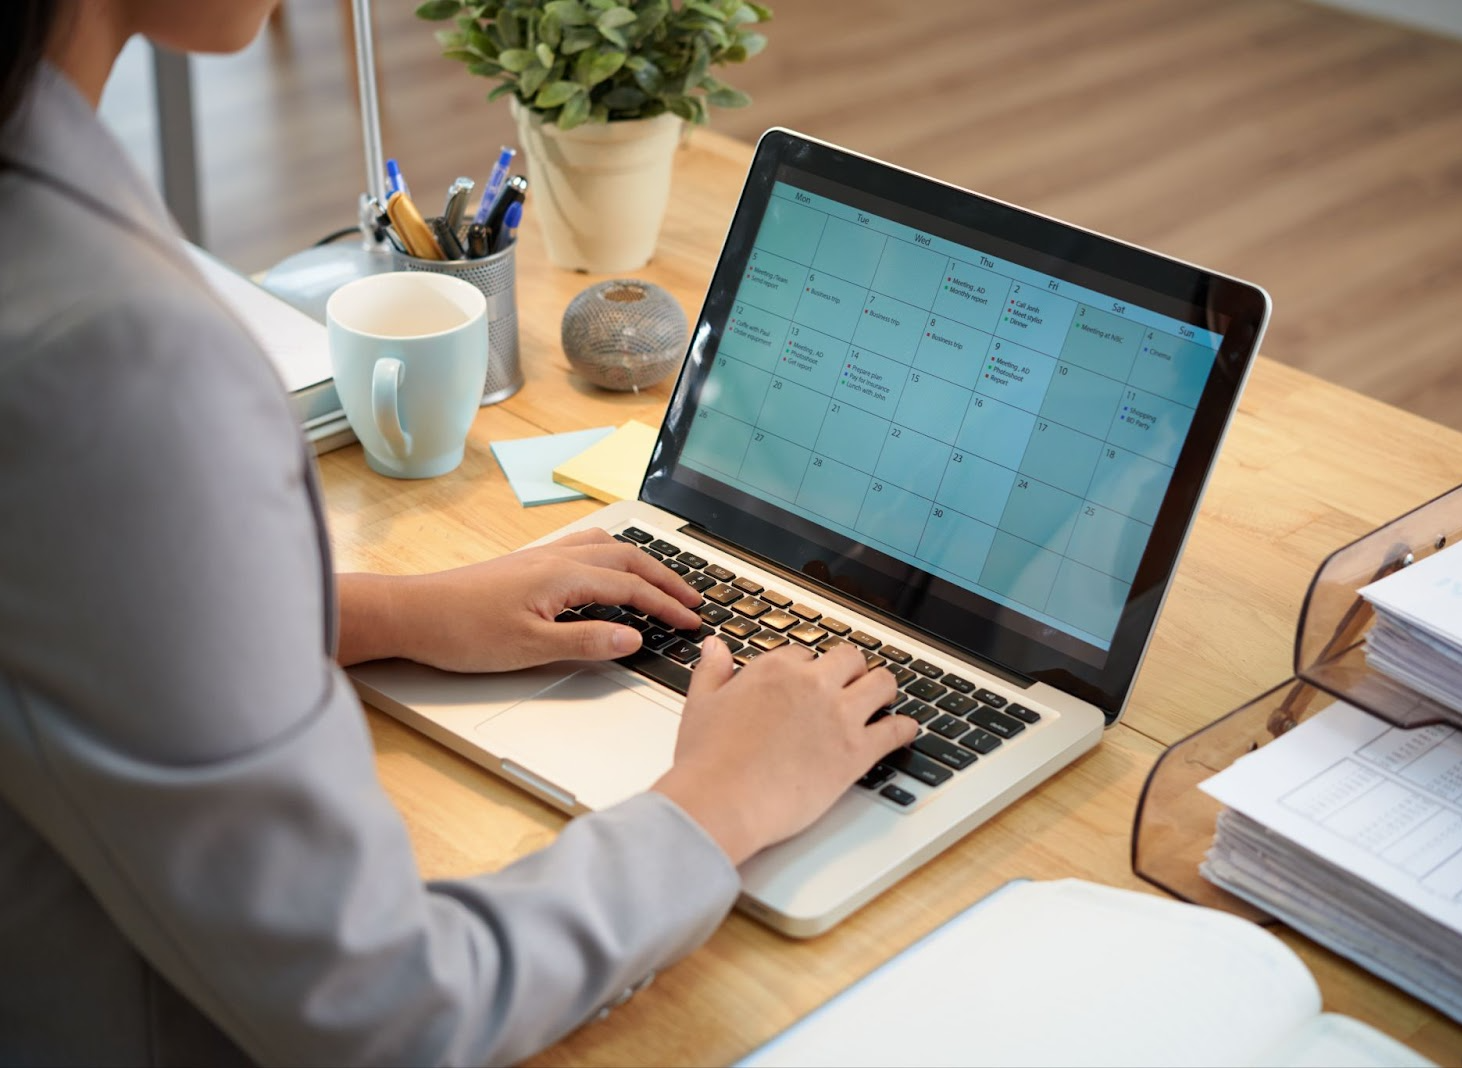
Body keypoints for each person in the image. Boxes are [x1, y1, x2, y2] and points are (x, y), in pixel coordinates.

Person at [0, 1, 917, 1064]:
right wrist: (717, 803)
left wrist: (392, 611)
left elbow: (64, 584)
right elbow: (387, 1010)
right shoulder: (115, 358)